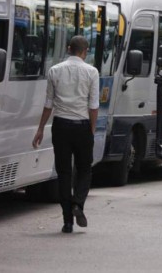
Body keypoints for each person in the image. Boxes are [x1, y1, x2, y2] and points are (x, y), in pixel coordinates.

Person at [32, 35, 99, 234]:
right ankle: (78, 203)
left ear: (69, 48)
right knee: (85, 169)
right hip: (82, 126)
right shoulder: (92, 72)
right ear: (85, 52)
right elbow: (93, 106)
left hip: (60, 126)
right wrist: (91, 130)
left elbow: (48, 104)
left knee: (63, 173)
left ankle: (67, 221)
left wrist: (41, 128)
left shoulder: (55, 70)